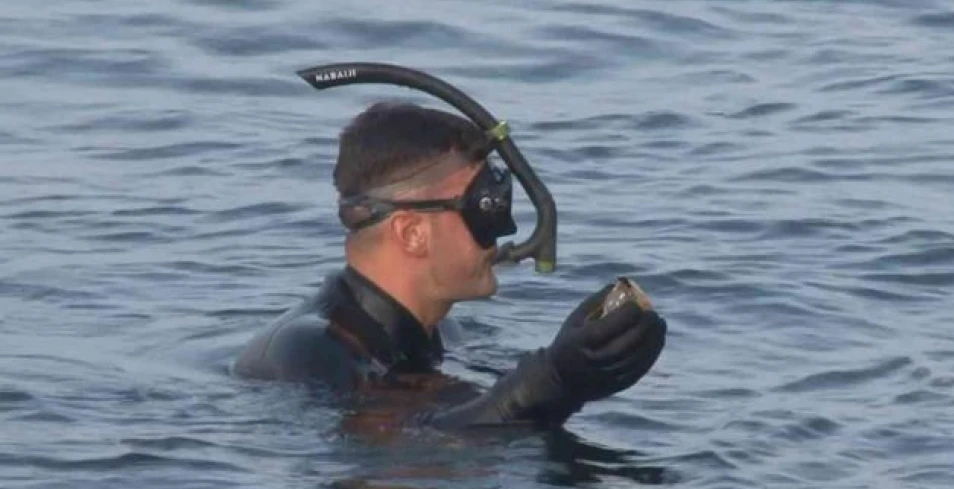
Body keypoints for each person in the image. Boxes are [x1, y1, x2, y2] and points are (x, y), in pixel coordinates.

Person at [232, 101, 667, 430]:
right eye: (484, 208)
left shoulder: (442, 333)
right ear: (411, 233)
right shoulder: (311, 352)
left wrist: (580, 370)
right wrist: (554, 382)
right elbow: (401, 451)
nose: (503, 228)